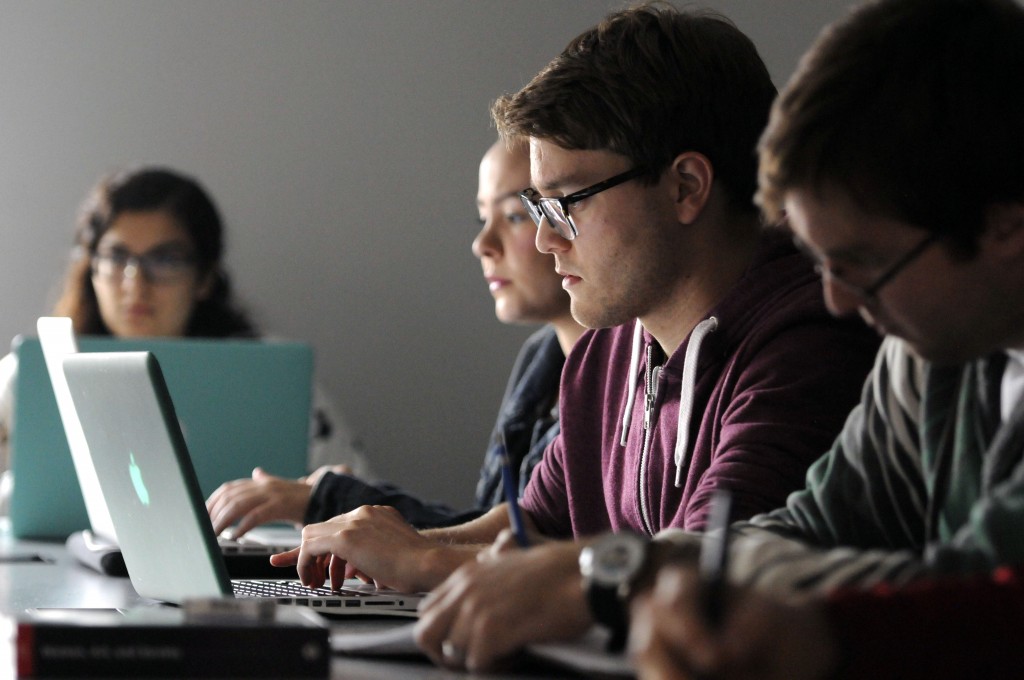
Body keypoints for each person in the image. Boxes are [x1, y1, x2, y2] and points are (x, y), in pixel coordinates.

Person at [271, 4, 879, 670]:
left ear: (685, 187)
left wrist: (427, 559)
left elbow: (704, 566)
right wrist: (401, 545)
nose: (543, 237)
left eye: (565, 201)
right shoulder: (608, 351)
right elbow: (533, 531)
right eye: (536, 206)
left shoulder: (808, 339)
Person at [626, 0, 1024, 677]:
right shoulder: (922, 355)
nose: (836, 300)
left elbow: (984, 593)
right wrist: (649, 570)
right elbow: (812, 524)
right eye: (821, 263)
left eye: (861, 264)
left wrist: (798, 615)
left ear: (1004, 228)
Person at [206, 139, 585, 535]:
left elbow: (514, 547)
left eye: (515, 215)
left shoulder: (619, 378)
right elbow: (491, 529)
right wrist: (351, 498)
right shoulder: (541, 359)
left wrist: (333, 500)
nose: (482, 245)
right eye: (482, 219)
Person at [0, 166, 368, 507]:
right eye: (116, 256)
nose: (135, 284)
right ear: (91, 269)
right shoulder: (28, 377)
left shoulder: (277, 381)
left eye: (165, 260)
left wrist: (317, 498)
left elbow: (360, 499)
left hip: (247, 568)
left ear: (205, 277)